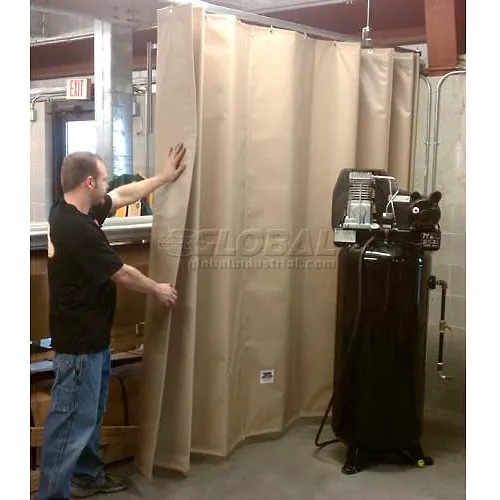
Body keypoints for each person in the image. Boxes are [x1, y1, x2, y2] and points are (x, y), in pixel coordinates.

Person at [36, 143, 187, 500]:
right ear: (88, 182)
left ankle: (88, 477)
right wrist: (158, 289)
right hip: (80, 345)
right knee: (69, 425)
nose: (108, 185)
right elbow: (121, 273)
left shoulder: (68, 209)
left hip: (93, 338)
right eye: (103, 179)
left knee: (88, 415)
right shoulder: (77, 229)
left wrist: (163, 178)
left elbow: (121, 195)